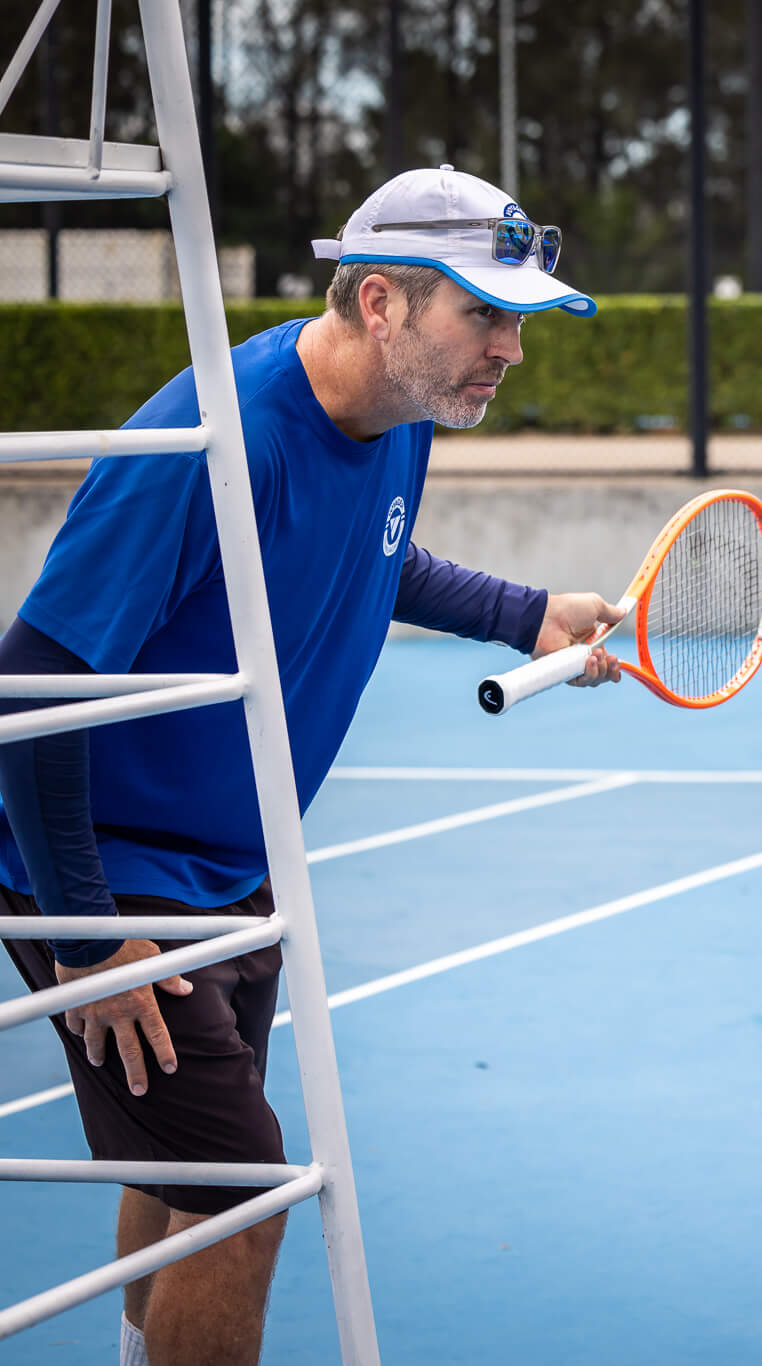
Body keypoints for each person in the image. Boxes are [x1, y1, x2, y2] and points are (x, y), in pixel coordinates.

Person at [0, 166, 621, 1366]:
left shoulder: (392, 415)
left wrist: (526, 611)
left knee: (183, 1175)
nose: (511, 348)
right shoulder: (203, 445)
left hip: (238, 869)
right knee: (243, 1195)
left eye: (517, 319)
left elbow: (376, 554)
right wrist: (85, 938)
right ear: (379, 301)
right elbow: (30, 683)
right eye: (483, 316)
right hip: (108, 874)